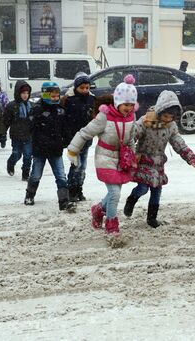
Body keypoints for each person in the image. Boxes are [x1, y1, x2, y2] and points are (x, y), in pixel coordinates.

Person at [67, 74, 137, 237]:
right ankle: (111, 225)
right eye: (125, 104)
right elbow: (84, 133)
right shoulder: (104, 117)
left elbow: (131, 139)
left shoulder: (131, 117)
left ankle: (98, 209)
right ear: (118, 102)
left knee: (114, 192)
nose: (128, 108)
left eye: (131, 104)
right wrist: (73, 150)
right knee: (115, 193)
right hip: (104, 158)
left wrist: (132, 157)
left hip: (121, 160)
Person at [124, 90, 195, 228]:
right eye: (165, 116)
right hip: (143, 160)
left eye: (171, 117)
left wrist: (190, 156)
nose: (167, 119)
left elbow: (178, 142)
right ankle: (132, 199)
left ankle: (152, 218)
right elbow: (132, 135)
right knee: (143, 188)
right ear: (159, 111)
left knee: (157, 191)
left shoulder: (171, 127)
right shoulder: (146, 121)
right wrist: (128, 152)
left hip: (158, 163)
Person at [23, 82, 74, 212]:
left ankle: (64, 201)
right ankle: (29, 195)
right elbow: (29, 127)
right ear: (45, 94)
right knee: (36, 175)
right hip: (40, 150)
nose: (55, 98)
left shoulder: (60, 111)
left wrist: (66, 141)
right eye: (52, 96)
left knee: (61, 176)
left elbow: (66, 129)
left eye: (57, 96)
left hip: (55, 150)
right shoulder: (37, 109)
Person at [63, 72, 95, 202]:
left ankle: (79, 189)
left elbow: (94, 118)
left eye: (87, 88)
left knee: (83, 166)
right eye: (82, 88)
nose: (85, 90)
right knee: (76, 165)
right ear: (76, 87)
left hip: (86, 138)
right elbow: (65, 120)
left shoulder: (92, 100)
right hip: (74, 138)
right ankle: (71, 190)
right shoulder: (69, 100)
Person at [4, 80, 33, 181]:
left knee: (28, 155)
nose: (25, 95)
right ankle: (11, 163)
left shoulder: (31, 106)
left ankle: (25, 173)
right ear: (18, 93)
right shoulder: (11, 106)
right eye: (23, 93)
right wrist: (2, 134)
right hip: (16, 135)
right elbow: (6, 122)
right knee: (16, 153)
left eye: (27, 93)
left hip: (29, 135)